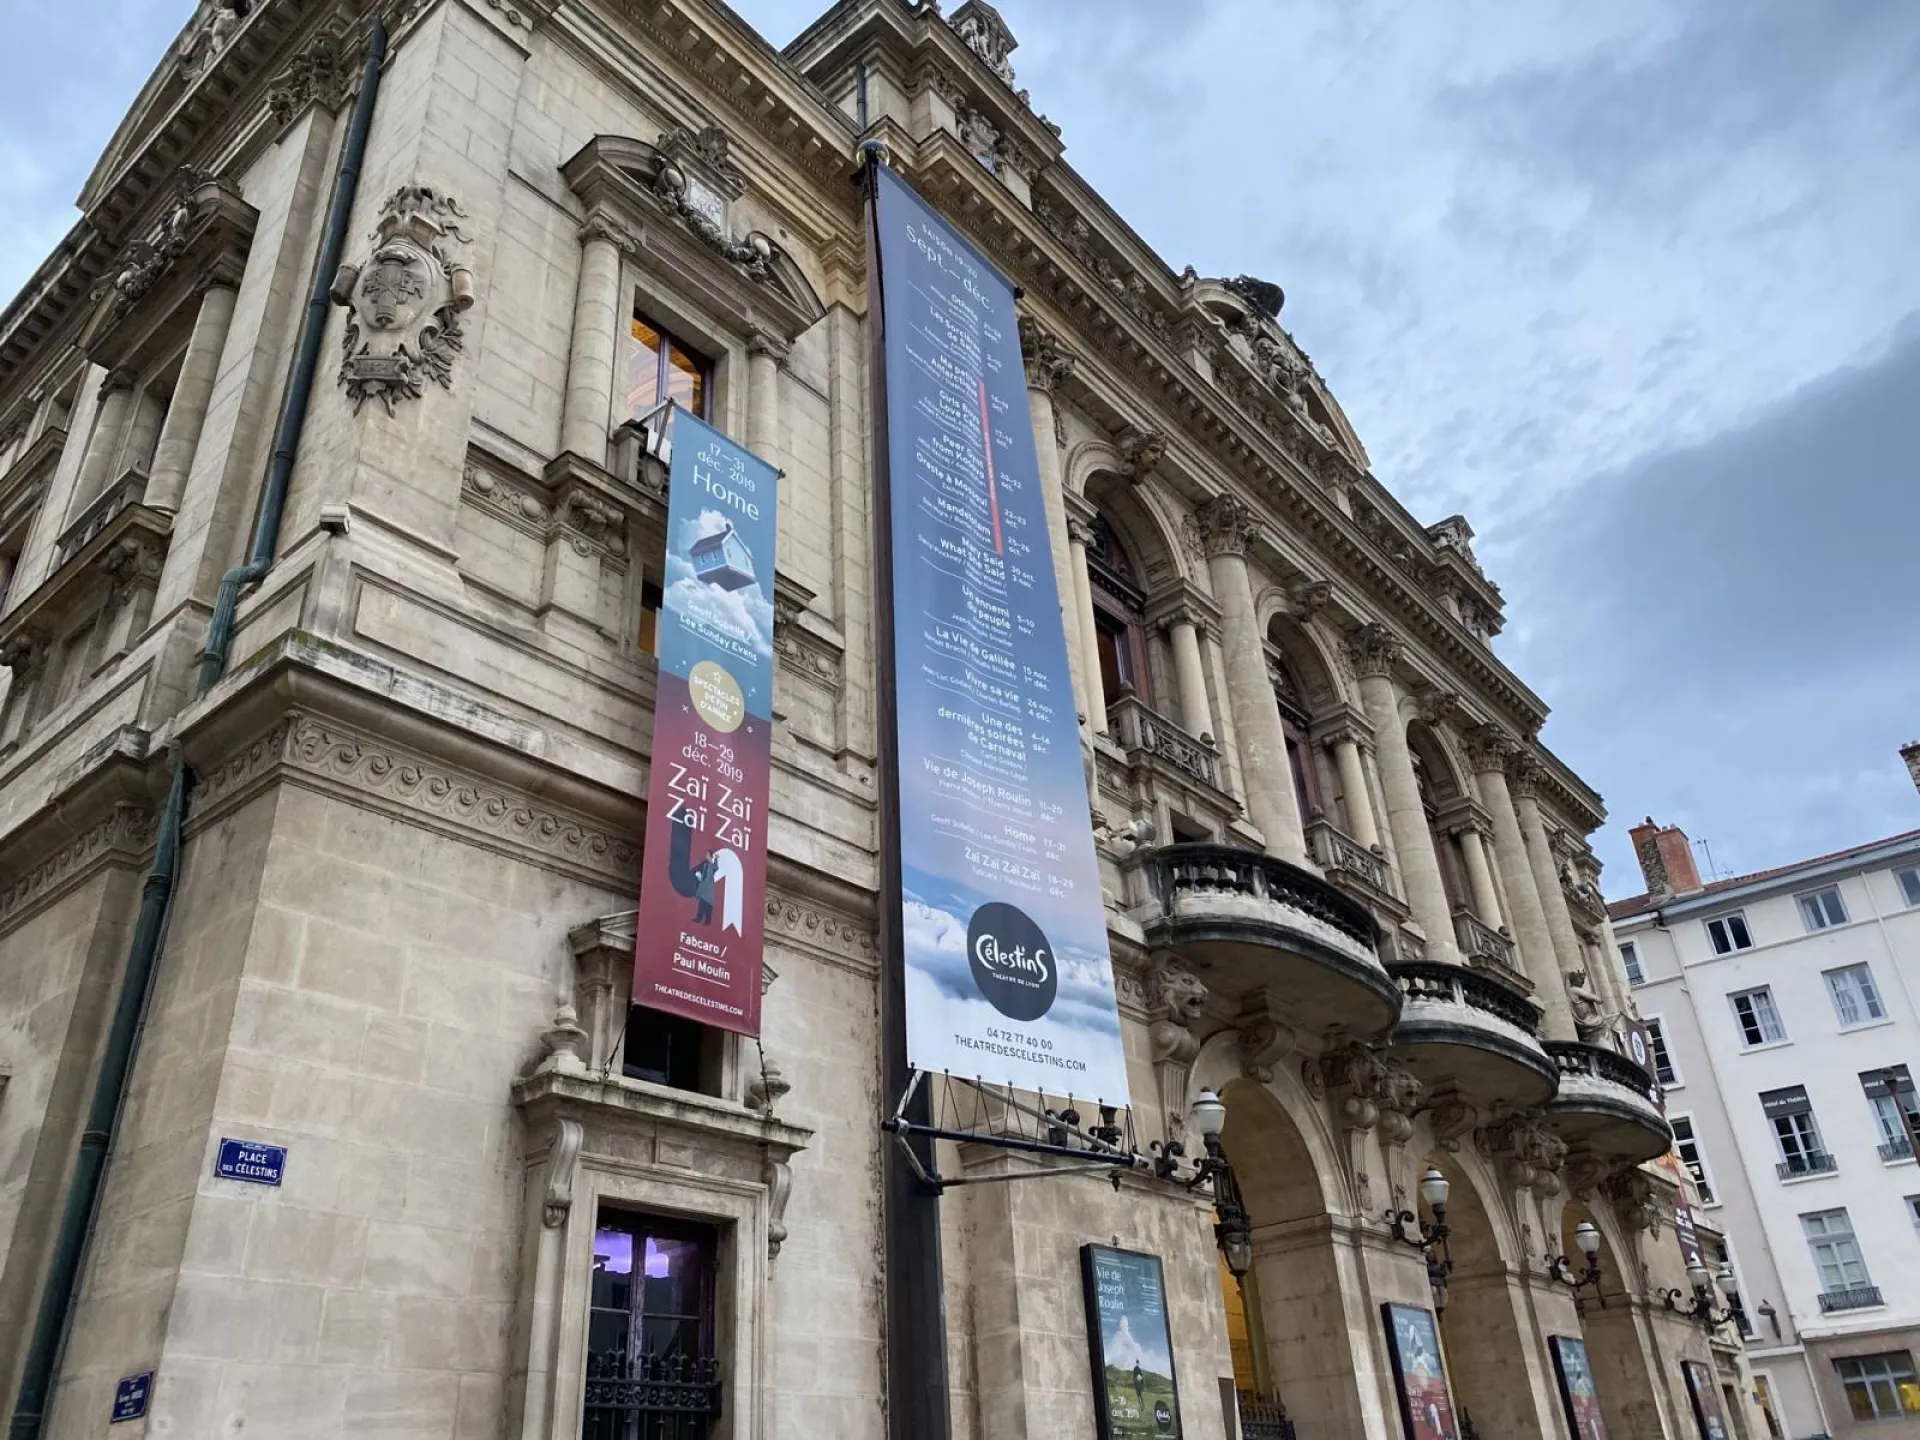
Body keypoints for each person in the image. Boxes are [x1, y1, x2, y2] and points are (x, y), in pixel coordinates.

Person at [692, 852, 718, 925]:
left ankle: (707, 921)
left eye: (707, 855)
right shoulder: (705, 865)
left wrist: (716, 859)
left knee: (708, 905)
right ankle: (699, 918)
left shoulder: (712, 866)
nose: (706, 856)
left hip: (709, 887)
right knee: (702, 904)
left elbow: (716, 867)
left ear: (710, 856)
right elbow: (703, 876)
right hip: (704, 885)